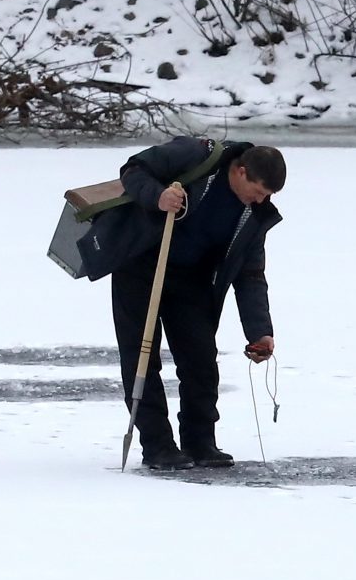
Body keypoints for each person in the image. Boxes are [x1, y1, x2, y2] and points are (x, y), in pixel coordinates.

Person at [95, 137, 284, 469]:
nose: (261, 199)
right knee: (142, 358)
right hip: (141, 265)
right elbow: (133, 169)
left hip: (192, 280)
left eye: (267, 196)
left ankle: (199, 442)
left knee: (201, 361)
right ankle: (157, 447)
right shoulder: (198, 156)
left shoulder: (254, 215)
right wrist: (159, 196)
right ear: (240, 172)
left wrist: (260, 331)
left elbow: (250, 275)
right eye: (258, 191)